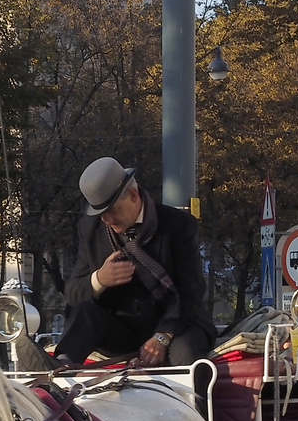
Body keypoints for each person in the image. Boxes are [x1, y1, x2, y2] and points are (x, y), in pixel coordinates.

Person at [54, 157, 216, 368]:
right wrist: (99, 279)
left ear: (133, 195)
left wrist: (162, 336)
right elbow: (73, 293)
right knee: (84, 313)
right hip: (122, 329)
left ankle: (195, 402)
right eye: (100, 214)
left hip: (177, 325)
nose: (106, 220)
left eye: (111, 211)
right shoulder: (91, 229)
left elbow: (191, 291)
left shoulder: (178, 225)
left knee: (187, 356)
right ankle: (56, 373)